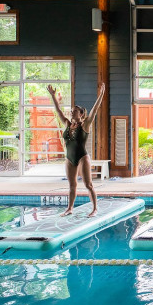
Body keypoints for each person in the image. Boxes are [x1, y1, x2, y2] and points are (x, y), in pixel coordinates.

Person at [47, 83, 106, 217]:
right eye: (71, 110)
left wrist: (101, 94)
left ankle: (95, 209)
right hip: (69, 159)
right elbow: (59, 111)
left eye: (74, 111)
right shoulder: (68, 124)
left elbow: (95, 110)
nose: (71, 112)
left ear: (81, 114)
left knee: (88, 184)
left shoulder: (85, 125)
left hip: (82, 158)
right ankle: (70, 208)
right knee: (72, 185)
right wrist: (53, 96)